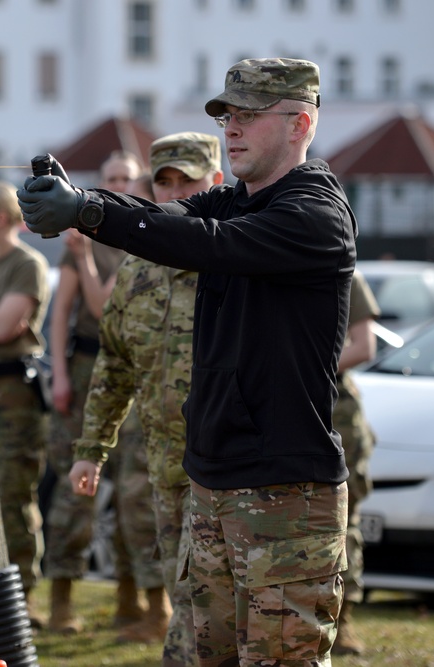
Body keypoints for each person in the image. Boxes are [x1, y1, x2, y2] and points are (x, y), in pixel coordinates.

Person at [19, 58, 355, 665]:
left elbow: (203, 243)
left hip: (283, 493)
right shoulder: (235, 201)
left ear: (301, 123)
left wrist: (90, 213)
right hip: (211, 480)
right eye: (228, 115)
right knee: (202, 656)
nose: (232, 129)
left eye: (250, 116)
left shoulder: (313, 214)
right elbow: (176, 218)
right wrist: (84, 200)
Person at [73, 132, 224, 662]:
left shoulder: (238, 258)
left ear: (217, 183)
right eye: (166, 182)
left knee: (225, 609)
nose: (177, 192)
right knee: (184, 594)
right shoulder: (136, 267)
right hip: (166, 468)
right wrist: (91, 448)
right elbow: (114, 362)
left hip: (234, 474)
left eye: (190, 181)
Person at [44, 149, 158, 634]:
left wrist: (86, 257)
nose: (120, 185)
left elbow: (106, 303)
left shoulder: (147, 237)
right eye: (110, 178)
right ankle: (61, 599)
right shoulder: (85, 233)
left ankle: (138, 601)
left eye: (127, 178)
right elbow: (66, 311)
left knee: (136, 490)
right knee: (75, 490)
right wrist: (61, 374)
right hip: (90, 362)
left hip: (136, 368)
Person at [0, 180, 51, 628]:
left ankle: (22, 597)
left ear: (0, 218)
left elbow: (2, 328)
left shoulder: (27, 264)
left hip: (13, 395)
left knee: (13, 495)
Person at [331, 268, 379, 656]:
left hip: (337, 411)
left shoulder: (348, 273)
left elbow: (364, 347)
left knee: (345, 523)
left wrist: (309, 369)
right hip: (284, 407)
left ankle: (342, 622)